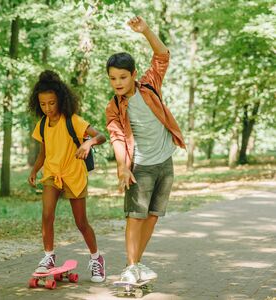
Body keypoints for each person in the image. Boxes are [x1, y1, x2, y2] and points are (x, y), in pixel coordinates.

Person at [105, 16, 186, 283]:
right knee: (135, 217)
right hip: (140, 167)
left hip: (165, 162)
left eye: (122, 77)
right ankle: (131, 266)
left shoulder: (150, 85)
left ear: (134, 75)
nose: (117, 82)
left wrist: (146, 31)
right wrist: (123, 166)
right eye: (113, 78)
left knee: (153, 216)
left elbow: (162, 55)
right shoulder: (114, 108)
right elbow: (117, 137)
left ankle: (135, 265)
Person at [28, 70, 107, 283]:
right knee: (46, 215)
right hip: (52, 174)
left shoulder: (73, 120)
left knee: (81, 222)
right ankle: (48, 257)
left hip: (73, 174)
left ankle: (96, 258)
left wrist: (88, 143)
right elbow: (44, 152)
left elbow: (101, 136)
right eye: (43, 104)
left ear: (60, 100)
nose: (47, 108)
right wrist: (35, 169)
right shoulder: (43, 124)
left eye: (51, 103)